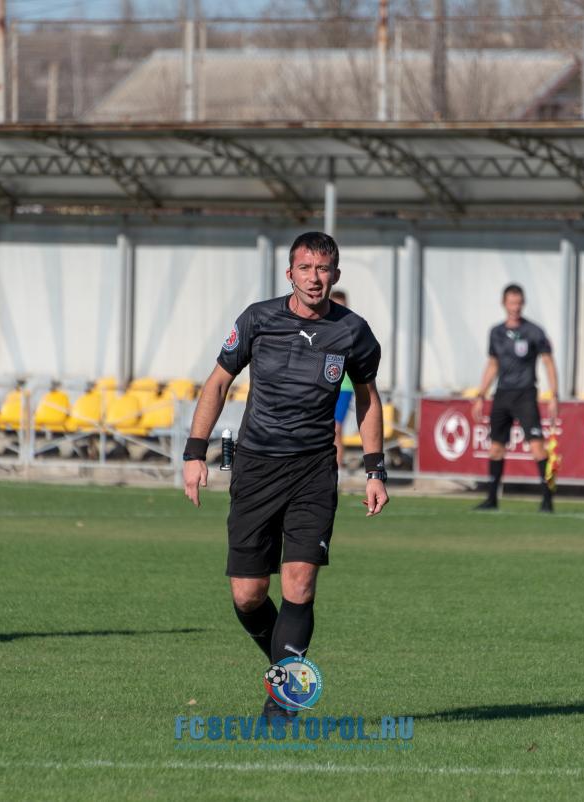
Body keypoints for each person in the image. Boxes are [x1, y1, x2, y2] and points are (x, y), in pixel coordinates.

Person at [181, 231, 387, 722]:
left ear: (335, 275)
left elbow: (367, 399)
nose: (314, 279)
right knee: (247, 594)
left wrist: (375, 469)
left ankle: (283, 703)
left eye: (323, 269)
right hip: (255, 467)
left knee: (299, 582)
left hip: (313, 470)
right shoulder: (258, 319)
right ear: (290, 273)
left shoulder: (354, 332)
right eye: (306, 269)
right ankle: (286, 666)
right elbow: (218, 382)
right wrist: (194, 453)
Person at [470, 283, 559, 512]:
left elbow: (548, 362)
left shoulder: (534, 331)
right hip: (502, 394)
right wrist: (480, 395)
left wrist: (554, 395)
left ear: (523, 304)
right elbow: (493, 364)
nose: (515, 307)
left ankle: (547, 499)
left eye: (518, 303)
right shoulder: (496, 332)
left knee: (537, 447)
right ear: (504, 304)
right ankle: (492, 499)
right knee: (496, 448)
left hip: (525, 394)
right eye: (511, 303)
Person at [329, 289, 354, 468]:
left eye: (342, 306)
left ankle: (336, 471)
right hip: (325, 385)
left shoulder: (352, 329)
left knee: (336, 428)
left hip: (344, 386)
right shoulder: (321, 327)